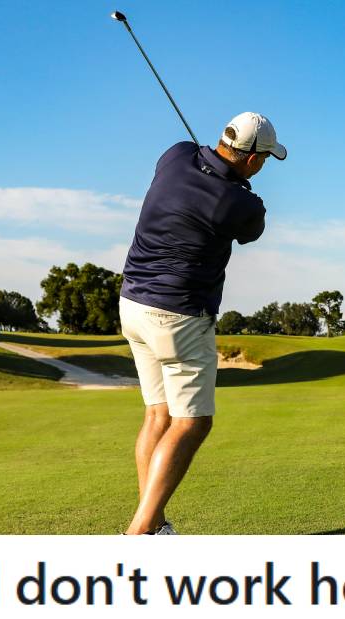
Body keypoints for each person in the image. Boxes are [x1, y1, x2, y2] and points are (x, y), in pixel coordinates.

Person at [118, 112, 286, 535]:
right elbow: (252, 228)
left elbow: (194, 162)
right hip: (177, 316)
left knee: (157, 415)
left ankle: (153, 527)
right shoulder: (240, 203)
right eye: (264, 158)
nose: (264, 165)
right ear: (252, 160)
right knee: (192, 422)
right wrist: (235, 186)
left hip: (132, 305)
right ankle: (138, 534)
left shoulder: (175, 154)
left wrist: (215, 169)